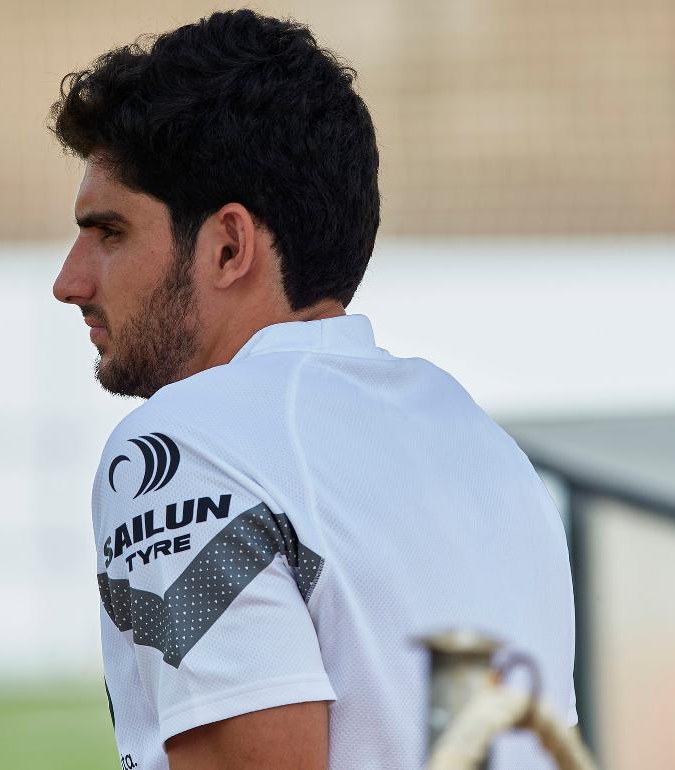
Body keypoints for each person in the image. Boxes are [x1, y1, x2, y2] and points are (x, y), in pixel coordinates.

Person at [48, 10, 576, 770]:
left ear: (228, 245)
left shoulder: (189, 443)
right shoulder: (478, 441)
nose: (70, 281)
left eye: (111, 232)